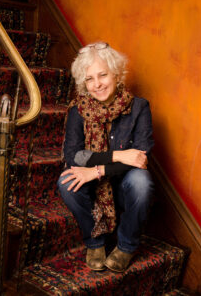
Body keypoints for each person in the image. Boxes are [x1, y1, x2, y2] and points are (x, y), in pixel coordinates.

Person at [57, 42, 154, 272]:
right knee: (65, 181)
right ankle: (95, 243)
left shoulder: (139, 108)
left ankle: (126, 246)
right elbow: (73, 156)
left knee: (142, 181)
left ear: (117, 74)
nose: (97, 84)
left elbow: (139, 160)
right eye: (89, 79)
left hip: (123, 187)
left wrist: (97, 170)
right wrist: (120, 155)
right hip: (93, 189)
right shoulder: (77, 110)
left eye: (103, 75)